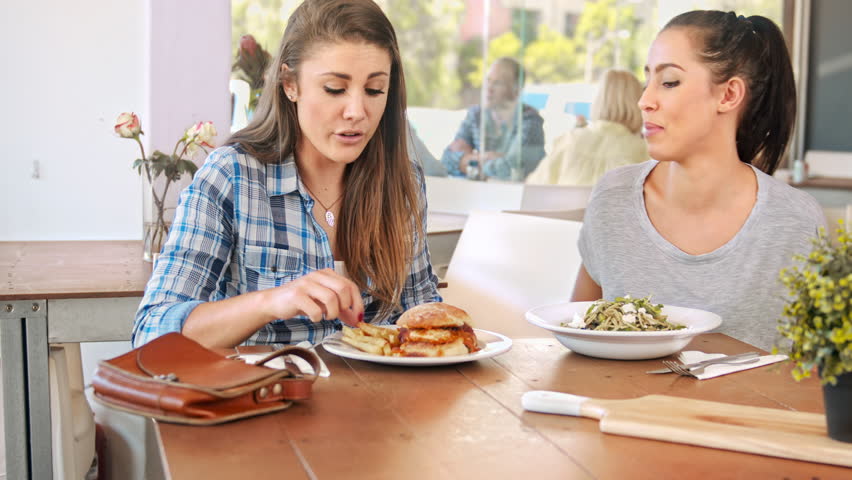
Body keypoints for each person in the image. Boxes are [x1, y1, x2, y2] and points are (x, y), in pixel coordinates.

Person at [132, 0, 441, 349]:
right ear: (290, 83)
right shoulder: (232, 177)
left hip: (380, 401)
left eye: (374, 90)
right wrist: (272, 301)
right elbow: (152, 333)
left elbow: (420, 312)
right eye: (335, 89)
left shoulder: (402, 184)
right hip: (264, 399)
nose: (357, 111)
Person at [571, 11, 825, 350]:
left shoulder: (796, 222)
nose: (644, 100)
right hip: (621, 403)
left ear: (728, 95)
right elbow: (576, 332)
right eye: (647, 80)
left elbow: (826, 379)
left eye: (670, 82)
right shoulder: (612, 199)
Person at [526, 69, 648, 186]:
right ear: (637, 103)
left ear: (599, 99)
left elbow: (534, 187)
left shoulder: (569, 140)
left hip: (565, 207)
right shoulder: (644, 152)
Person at [440, 57, 546, 181]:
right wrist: (488, 158)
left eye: (497, 83)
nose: (489, 88)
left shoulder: (530, 120)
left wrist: (469, 160)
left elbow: (510, 169)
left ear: (516, 90)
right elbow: (446, 161)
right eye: (488, 81)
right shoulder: (476, 115)